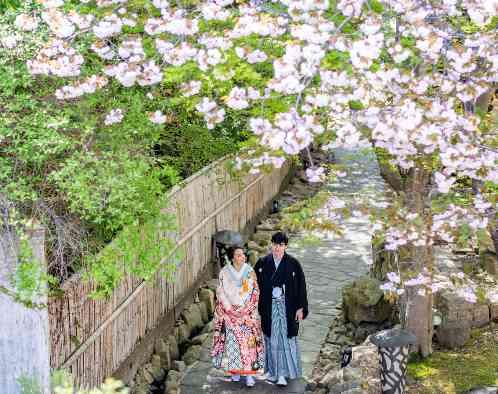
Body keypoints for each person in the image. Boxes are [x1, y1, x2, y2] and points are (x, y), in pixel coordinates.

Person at [254, 231, 309, 387]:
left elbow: (301, 287)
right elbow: (253, 286)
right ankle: (273, 371)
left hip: (286, 308)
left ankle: (283, 374)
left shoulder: (293, 264)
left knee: (284, 340)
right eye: (275, 244)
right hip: (269, 307)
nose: (277, 248)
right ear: (271, 244)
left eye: (281, 245)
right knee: (271, 340)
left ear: (285, 246)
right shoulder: (263, 263)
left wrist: (300, 308)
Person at [211, 245, 265, 388]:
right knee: (233, 343)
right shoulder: (224, 272)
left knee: (249, 344)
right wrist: (230, 309)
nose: (243, 257)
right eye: (239, 255)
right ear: (232, 257)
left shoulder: (249, 271)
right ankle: (236, 372)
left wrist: (245, 309)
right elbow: (220, 292)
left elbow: (255, 291)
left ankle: (249, 375)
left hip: (246, 314)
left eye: (243, 255)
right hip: (231, 314)